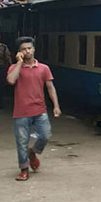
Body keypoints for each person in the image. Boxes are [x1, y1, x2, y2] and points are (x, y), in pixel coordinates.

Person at [6, 36, 61, 182]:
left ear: (34, 49)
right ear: (19, 52)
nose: (27, 51)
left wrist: (56, 105)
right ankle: (24, 169)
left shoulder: (43, 68)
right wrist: (19, 62)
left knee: (45, 135)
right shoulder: (14, 68)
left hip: (40, 110)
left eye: (29, 48)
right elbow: (11, 80)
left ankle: (33, 152)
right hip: (21, 111)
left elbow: (50, 87)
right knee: (21, 141)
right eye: (24, 49)